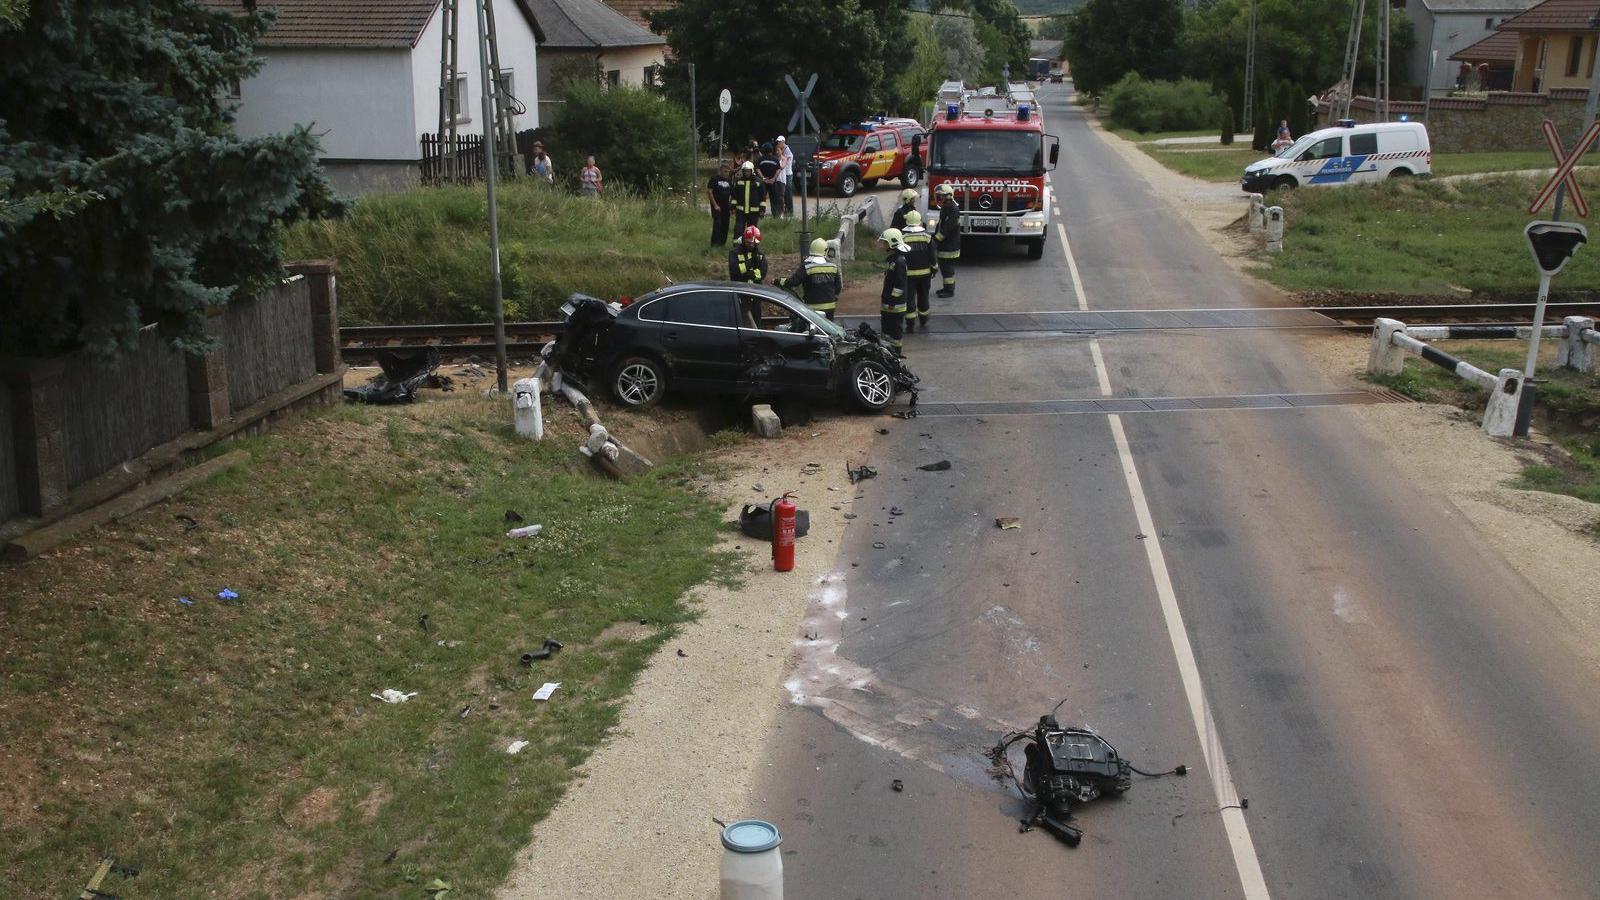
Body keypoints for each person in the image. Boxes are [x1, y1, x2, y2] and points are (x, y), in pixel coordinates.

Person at [775, 238, 842, 319]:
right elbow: (838, 287)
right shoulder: (833, 267)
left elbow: (793, 282)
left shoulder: (806, 267)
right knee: (828, 329)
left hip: (812, 308)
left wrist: (777, 281)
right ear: (825, 251)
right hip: (830, 308)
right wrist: (833, 297)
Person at [900, 209, 934, 332]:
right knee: (924, 296)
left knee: (909, 298)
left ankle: (910, 323)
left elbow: (900, 256)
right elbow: (932, 255)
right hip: (925, 275)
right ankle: (924, 319)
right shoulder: (927, 237)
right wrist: (934, 268)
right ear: (920, 222)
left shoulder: (903, 237)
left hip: (908, 276)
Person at [878, 227, 909, 357]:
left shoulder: (899, 261)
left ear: (892, 243)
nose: (884, 245)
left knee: (895, 331)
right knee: (886, 329)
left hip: (895, 305)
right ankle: (888, 351)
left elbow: (899, 285)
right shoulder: (893, 259)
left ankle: (896, 353)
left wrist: (892, 301)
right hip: (888, 304)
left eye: (885, 242)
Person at [933, 182, 961, 298]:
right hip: (946, 244)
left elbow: (947, 228)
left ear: (948, 196)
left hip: (949, 246)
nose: (939, 198)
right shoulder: (947, 207)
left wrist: (935, 239)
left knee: (947, 268)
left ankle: (949, 290)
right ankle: (946, 288)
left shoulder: (953, 209)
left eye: (940, 195)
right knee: (944, 268)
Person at [732, 160, 767, 235]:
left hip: (754, 212)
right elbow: (734, 196)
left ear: (752, 171)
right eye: (745, 171)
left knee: (751, 232)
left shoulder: (758, 182)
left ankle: (751, 246)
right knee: (738, 230)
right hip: (741, 212)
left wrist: (762, 210)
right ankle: (737, 245)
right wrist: (733, 207)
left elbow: (763, 198)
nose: (746, 173)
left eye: (748, 171)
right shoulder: (739, 181)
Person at [707, 160, 734, 247]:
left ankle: (722, 243)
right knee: (717, 224)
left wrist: (731, 206)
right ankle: (714, 244)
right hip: (717, 206)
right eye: (725, 171)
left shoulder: (729, 181)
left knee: (725, 224)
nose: (727, 173)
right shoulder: (714, 179)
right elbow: (709, 192)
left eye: (728, 172)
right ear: (721, 170)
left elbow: (732, 194)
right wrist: (715, 205)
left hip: (726, 206)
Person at [757, 143, 781, 218]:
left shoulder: (761, 159)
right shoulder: (775, 159)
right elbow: (778, 169)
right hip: (772, 182)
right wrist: (773, 179)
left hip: (763, 182)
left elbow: (757, 169)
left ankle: (761, 213)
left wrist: (763, 178)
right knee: (774, 199)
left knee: (762, 198)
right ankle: (776, 215)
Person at [774, 135, 795, 218]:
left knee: (788, 193)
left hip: (788, 174)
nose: (778, 143)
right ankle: (785, 210)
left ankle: (790, 210)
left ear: (783, 141)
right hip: (783, 174)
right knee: (783, 193)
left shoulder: (787, 150)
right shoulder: (781, 150)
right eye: (778, 141)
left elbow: (786, 161)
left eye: (780, 141)